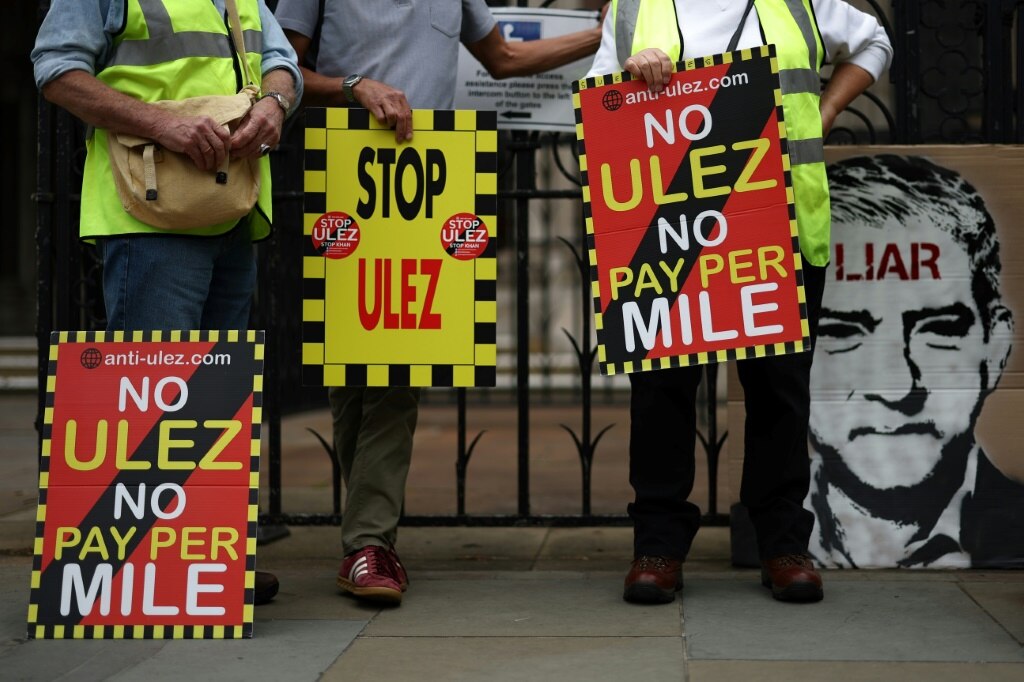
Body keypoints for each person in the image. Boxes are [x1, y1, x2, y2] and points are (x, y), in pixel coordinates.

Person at [273, 0, 604, 605]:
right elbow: (283, 74)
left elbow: (502, 58)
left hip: (430, 177)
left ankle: (370, 541)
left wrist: (603, 36)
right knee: (350, 366)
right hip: (343, 174)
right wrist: (355, 86)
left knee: (401, 364)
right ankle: (366, 539)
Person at [586, 0, 892, 603]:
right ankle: (658, 547)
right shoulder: (631, 10)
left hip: (778, 229)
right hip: (668, 229)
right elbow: (599, 102)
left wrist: (827, 110)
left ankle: (782, 544)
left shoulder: (800, 3)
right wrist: (625, 73)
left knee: (778, 388)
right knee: (662, 391)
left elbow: (875, 42)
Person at [31, 0, 303, 605]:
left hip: (231, 212)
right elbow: (54, 68)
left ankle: (211, 561)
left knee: (215, 409)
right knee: (150, 405)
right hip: (149, 218)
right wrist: (160, 122)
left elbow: (284, 63)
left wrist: (273, 104)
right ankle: (142, 573)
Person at [807, 154, 1024, 569]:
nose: (897, 388)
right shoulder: (777, 531)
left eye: (938, 330)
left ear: (995, 347)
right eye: (841, 332)